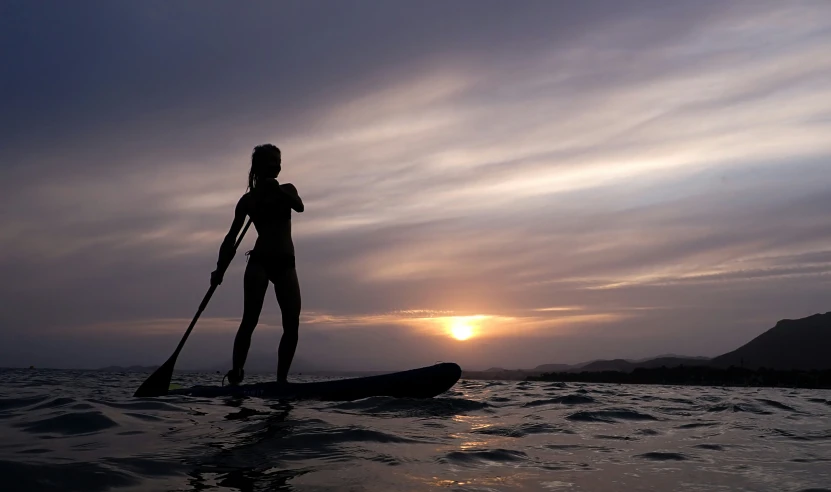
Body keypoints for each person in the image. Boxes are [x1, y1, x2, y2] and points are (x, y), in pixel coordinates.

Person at [211, 144, 304, 385]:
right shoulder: (248, 201)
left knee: (292, 323)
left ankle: (281, 382)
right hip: (259, 262)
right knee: (249, 320)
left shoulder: (287, 189)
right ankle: (237, 373)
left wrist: (276, 192)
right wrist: (219, 269)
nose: (277, 165)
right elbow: (230, 238)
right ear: (259, 166)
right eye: (272, 160)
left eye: (279, 160)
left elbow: (299, 206)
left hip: (286, 263)